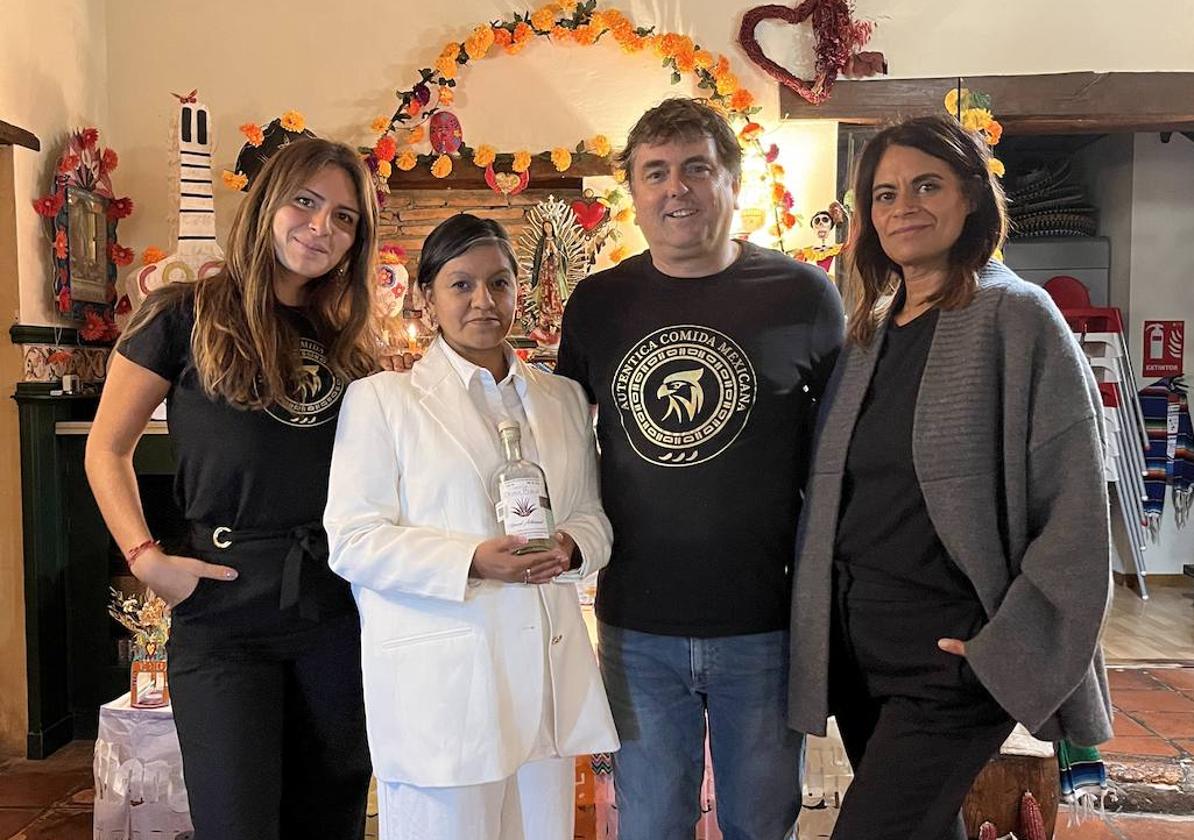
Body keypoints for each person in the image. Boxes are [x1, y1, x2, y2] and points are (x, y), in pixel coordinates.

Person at [786, 115, 1113, 840]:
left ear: (970, 197)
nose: (904, 206)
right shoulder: (872, 328)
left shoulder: (1017, 317)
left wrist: (1005, 646)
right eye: (884, 193)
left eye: (927, 185)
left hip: (952, 666)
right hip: (866, 656)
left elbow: (1078, 513)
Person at [555, 97, 845, 840]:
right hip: (637, 625)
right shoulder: (598, 303)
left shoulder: (804, 297)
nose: (674, 187)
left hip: (765, 625)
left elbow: (841, 458)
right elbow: (554, 440)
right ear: (635, 193)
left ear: (731, 182)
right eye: (655, 172)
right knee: (650, 823)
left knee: (760, 821)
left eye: (695, 168)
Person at [85, 138, 377, 840]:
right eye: (305, 202)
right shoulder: (182, 315)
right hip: (222, 610)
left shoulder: (346, 342)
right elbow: (108, 448)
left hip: (333, 608)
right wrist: (145, 558)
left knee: (331, 815)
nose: (322, 226)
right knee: (237, 822)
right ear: (266, 205)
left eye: (343, 217)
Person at [324, 213, 619, 840]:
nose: (483, 300)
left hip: (544, 682)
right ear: (426, 297)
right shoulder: (384, 401)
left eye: (499, 283)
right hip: (446, 687)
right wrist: (472, 560)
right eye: (461, 285)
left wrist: (571, 549)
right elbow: (353, 540)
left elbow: (592, 516)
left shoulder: (562, 398)